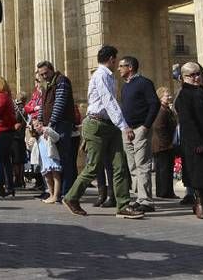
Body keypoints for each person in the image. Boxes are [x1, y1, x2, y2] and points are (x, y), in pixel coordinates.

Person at [62, 45, 144, 219]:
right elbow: (108, 101)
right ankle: (71, 197)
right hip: (97, 125)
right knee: (93, 166)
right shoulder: (100, 76)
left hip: (110, 125)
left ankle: (123, 204)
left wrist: (120, 124)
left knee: (119, 165)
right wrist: (124, 126)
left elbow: (113, 103)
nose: (117, 64)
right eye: (116, 60)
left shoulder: (110, 77)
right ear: (112, 59)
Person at [175, 62, 203, 219]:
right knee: (198, 174)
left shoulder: (201, 91)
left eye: (198, 74)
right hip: (196, 142)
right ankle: (200, 204)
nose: (196, 77)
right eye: (191, 75)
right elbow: (188, 122)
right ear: (183, 78)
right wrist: (197, 142)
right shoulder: (184, 95)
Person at [118, 56, 160, 212]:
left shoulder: (144, 83)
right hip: (127, 130)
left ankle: (146, 201)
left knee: (142, 164)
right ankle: (139, 197)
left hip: (140, 129)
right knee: (132, 166)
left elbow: (154, 103)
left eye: (121, 66)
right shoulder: (125, 86)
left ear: (130, 67)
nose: (119, 68)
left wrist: (146, 126)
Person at [36, 60, 77, 197]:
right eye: (41, 74)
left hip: (62, 124)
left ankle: (67, 191)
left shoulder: (61, 81)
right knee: (56, 158)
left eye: (46, 73)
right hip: (51, 125)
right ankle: (59, 192)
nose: (44, 76)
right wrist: (40, 120)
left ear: (52, 70)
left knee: (64, 157)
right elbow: (43, 105)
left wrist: (51, 123)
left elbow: (59, 103)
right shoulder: (47, 84)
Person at [152, 86, 177, 199]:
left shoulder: (166, 109)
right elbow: (158, 127)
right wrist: (167, 143)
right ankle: (164, 192)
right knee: (163, 169)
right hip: (162, 145)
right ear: (160, 97)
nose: (169, 97)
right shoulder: (161, 110)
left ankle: (166, 191)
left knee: (166, 169)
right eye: (167, 95)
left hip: (165, 144)